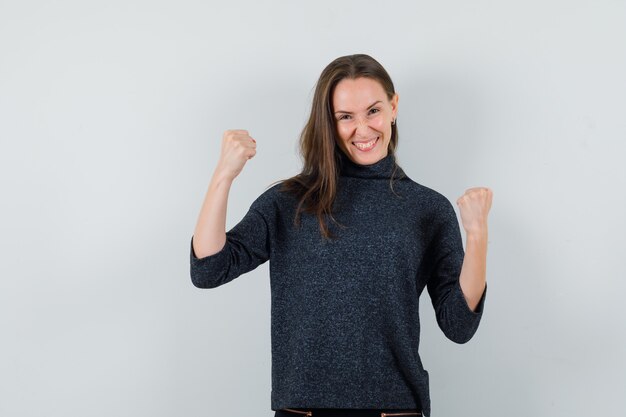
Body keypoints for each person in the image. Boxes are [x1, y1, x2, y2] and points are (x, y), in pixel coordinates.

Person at [189, 54, 492, 417]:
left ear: (394, 107)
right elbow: (208, 269)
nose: (362, 129)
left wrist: (477, 237)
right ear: (328, 124)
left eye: (373, 111)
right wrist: (223, 175)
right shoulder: (289, 202)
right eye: (345, 117)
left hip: (393, 410)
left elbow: (459, 324)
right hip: (302, 410)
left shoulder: (428, 209)